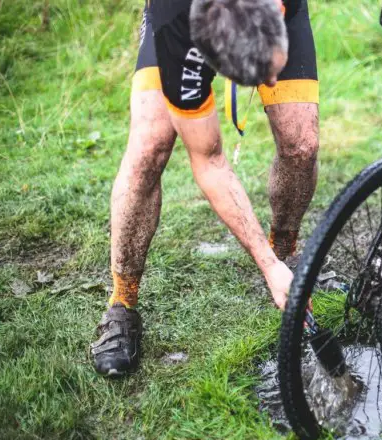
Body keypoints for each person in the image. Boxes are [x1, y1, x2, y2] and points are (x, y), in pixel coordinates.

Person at [91, 0, 319, 377]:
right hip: (183, 15)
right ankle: (122, 301)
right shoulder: (177, 27)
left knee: (301, 142)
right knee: (149, 146)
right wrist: (263, 264)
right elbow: (209, 161)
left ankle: (286, 255)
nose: (271, 83)